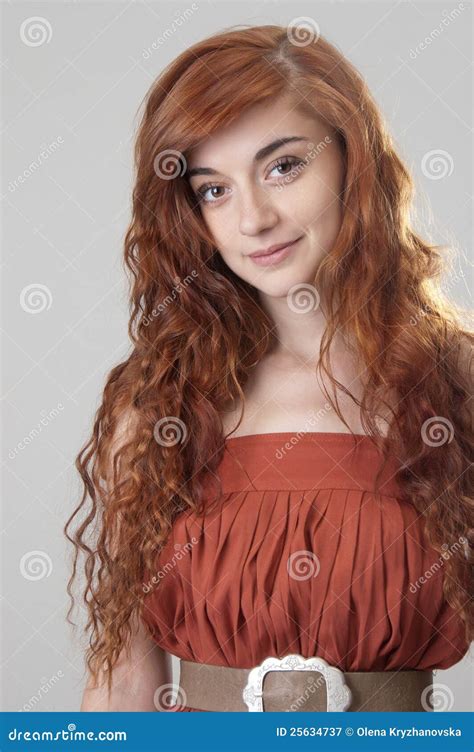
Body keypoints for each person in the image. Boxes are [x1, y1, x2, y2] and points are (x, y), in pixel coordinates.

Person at [65, 23, 473, 713]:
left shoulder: (457, 384)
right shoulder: (156, 402)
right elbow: (123, 686)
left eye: (283, 166)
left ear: (354, 160)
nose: (252, 218)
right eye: (213, 190)